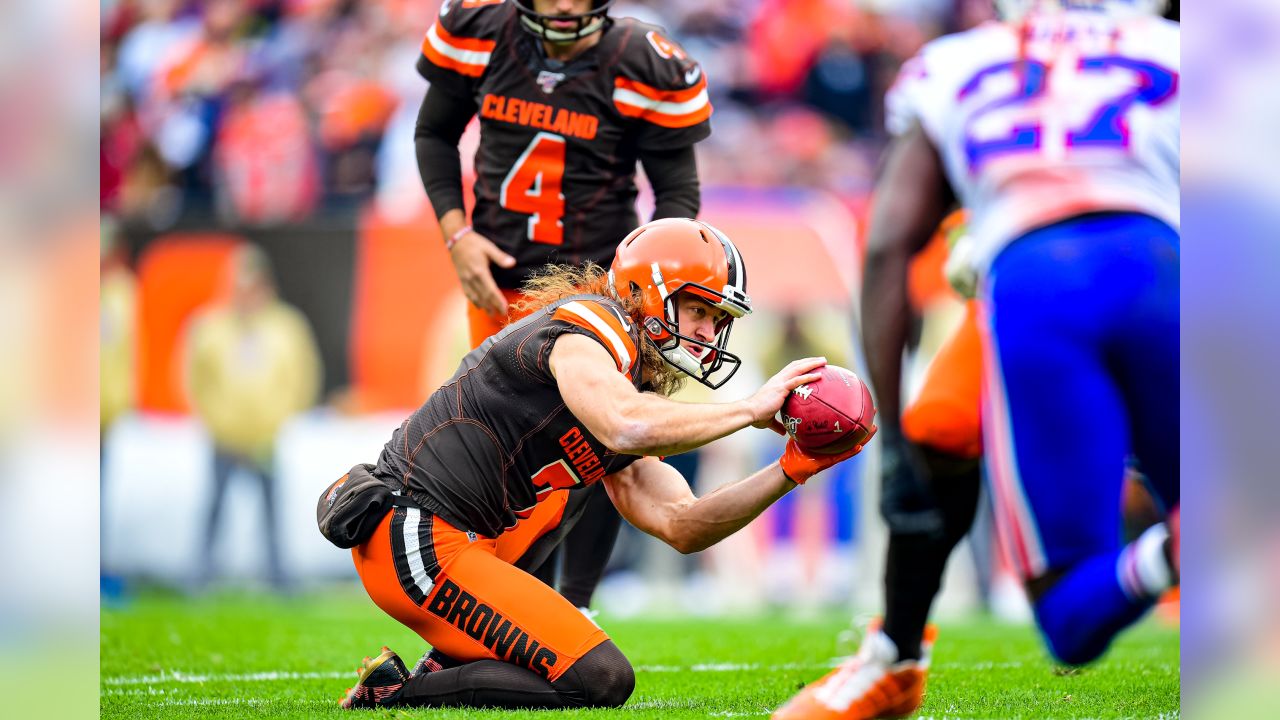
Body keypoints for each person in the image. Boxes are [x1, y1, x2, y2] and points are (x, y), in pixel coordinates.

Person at [774, 1, 1180, 718]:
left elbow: (889, 245)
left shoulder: (959, 63)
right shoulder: (1172, 47)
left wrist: (883, 436)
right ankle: (894, 656)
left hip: (1047, 281)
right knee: (943, 425)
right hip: (1140, 272)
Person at [327, 218, 873, 709]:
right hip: (414, 532)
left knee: (572, 497)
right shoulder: (592, 324)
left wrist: (790, 469)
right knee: (601, 679)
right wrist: (751, 408)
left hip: (462, 542)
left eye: (717, 318)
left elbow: (682, 523)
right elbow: (622, 423)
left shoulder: (628, 383)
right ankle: (398, 692)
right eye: (699, 310)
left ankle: (450, 664)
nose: (708, 333)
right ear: (647, 294)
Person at [414, 0, 712, 622]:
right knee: (502, 454)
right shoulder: (480, 29)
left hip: (599, 294)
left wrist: (642, 283)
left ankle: (573, 609)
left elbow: (678, 193)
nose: (565, 5)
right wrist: (455, 235)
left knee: (601, 449)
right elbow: (434, 133)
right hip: (501, 284)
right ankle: (510, 606)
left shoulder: (641, 60)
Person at [185, 245, 322, 590]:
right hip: (225, 436)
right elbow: (195, 380)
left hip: (265, 437)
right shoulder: (210, 326)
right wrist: (218, 421)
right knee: (214, 507)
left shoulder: (286, 326)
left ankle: (278, 575)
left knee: (271, 510)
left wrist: (277, 420)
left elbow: (303, 375)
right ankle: (201, 574)